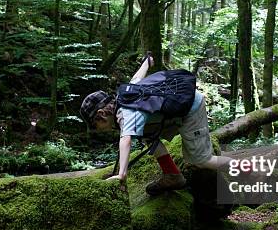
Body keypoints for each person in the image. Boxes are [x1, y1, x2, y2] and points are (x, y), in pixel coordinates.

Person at [80, 55, 233, 195]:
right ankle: (172, 175)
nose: (97, 130)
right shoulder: (125, 96)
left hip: (191, 109)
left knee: (201, 160)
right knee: (147, 135)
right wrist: (147, 62)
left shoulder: (126, 114)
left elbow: (125, 140)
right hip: (177, 111)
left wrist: (121, 175)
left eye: (94, 125)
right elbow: (137, 77)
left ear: (101, 114)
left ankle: (247, 169)